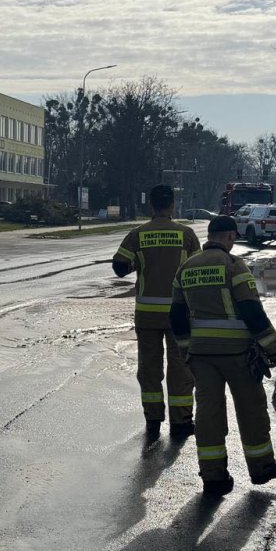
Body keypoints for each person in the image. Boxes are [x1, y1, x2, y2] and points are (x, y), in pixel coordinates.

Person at [171, 215, 276, 495]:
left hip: (201, 355)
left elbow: (176, 315)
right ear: (229, 236)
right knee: (251, 409)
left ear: (209, 235)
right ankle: (261, 467)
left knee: (208, 414)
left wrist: (186, 349)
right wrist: (273, 347)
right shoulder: (233, 265)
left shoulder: (186, 268)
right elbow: (251, 310)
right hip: (238, 354)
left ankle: (213, 476)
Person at [113, 184, 201, 439]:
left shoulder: (138, 234)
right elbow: (196, 269)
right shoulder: (186, 235)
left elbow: (119, 266)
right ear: (172, 205)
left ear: (151, 205)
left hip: (147, 315)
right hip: (179, 314)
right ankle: (181, 421)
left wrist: (139, 264)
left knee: (149, 369)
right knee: (181, 368)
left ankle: (153, 420)